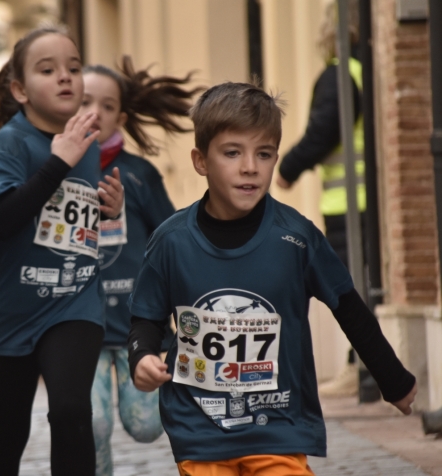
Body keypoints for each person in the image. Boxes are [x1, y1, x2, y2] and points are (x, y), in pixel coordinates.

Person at [127, 82, 417, 476]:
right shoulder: (170, 242)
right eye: (232, 153)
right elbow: (147, 316)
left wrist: (393, 380)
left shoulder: (296, 238)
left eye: (263, 154)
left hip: (278, 425)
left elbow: (348, 307)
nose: (250, 167)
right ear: (201, 161)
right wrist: (142, 356)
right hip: (200, 429)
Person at [0, 26, 124, 476]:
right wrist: (57, 162)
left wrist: (107, 210)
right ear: (19, 90)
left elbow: (67, 221)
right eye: (48, 69)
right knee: (6, 437)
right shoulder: (11, 142)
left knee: (72, 411)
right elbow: (0, 219)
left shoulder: (87, 142)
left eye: (73, 68)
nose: (65, 78)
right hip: (9, 313)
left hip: (73, 302)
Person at [79, 57, 202, 475]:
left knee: (147, 426)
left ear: (123, 117)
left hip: (137, 322)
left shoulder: (138, 174)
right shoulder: (53, 171)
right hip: (81, 326)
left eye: (108, 106)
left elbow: (171, 237)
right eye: (83, 101)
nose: (95, 113)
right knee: (92, 424)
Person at [276, 0, 364, 397]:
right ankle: (358, 365)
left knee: (350, 287)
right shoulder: (360, 71)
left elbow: (322, 130)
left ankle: (360, 368)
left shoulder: (339, 74)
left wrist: (288, 167)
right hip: (356, 200)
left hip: (350, 202)